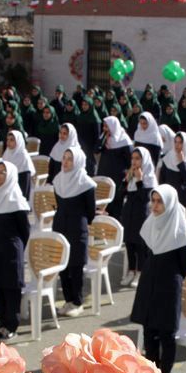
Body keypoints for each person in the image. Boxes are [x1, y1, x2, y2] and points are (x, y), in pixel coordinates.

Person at [131, 184, 186, 373]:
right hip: (149, 282)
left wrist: (170, 278)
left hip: (169, 286)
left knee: (167, 333)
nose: (155, 206)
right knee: (149, 329)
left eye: (160, 202)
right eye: (154, 201)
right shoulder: (151, 224)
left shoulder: (180, 233)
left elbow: (185, 264)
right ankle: (151, 371)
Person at [0, 160, 32, 339]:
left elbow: (25, 230)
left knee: (11, 288)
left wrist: (16, 246)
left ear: (10, 176)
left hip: (11, 249)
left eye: (2, 172)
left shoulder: (16, 200)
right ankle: (2, 322)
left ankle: (11, 325)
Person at [52, 146, 96, 317]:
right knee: (63, 266)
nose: (66, 162)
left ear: (77, 161)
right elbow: (58, 203)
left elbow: (90, 211)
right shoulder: (58, 180)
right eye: (64, 158)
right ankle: (68, 300)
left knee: (76, 266)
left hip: (77, 227)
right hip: (61, 225)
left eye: (70, 159)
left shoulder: (86, 184)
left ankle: (77, 302)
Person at [120, 147, 158, 288]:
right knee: (129, 242)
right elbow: (120, 194)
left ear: (144, 160)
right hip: (129, 212)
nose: (134, 161)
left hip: (141, 213)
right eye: (133, 158)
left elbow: (145, 199)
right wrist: (127, 179)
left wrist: (140, 180)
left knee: (140, 244)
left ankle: (140, 272)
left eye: (137, 158)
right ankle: (131, 270)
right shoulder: (130, 174)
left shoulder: (149, 177)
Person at [96, 116, 132, 219]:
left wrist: (127, 179)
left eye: (107, 126)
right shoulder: (105, 139)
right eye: (104, 126)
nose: (105, 129)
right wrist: (103, 137)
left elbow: (131, 161)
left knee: (116, 204)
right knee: (103, 202)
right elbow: (96, 150)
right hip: (104, 174)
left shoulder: (124, 141)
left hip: (118, 177)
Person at [160, 131, 186, 224]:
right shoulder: (168, 157)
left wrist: (181, 163)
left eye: (180, 142)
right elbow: (162, 179)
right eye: (175, 142)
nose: (177, 145)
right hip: (169, 200)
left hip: (183, 199)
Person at [2, 130, 34, 201]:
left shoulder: (23, 156)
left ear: (18, 141)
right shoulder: (6, 153)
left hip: (21, 189)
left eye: (12, 140)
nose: (8, 142)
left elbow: (25, 182)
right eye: (8, 140)